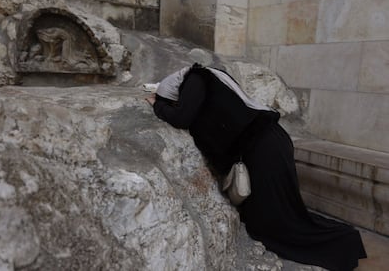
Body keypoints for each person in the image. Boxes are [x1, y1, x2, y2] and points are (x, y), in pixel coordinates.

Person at [146, 63, 367, 271]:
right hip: (268, 144)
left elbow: (181, 117)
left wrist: (159, 105)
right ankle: (344, 243)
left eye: (174, 100)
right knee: (278, 216)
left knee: (282, 222)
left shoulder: (195, 78)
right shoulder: (210, 78)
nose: (177, 103)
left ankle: (343, 243)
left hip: (264, 149)